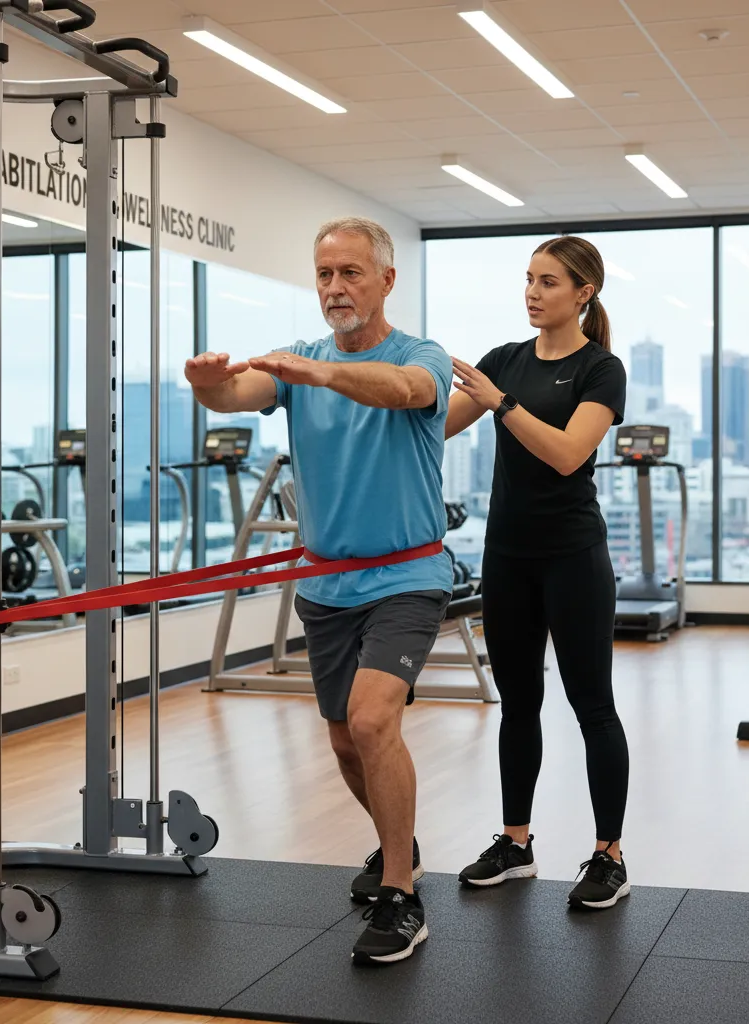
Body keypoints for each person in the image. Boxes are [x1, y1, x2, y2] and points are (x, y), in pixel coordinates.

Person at [184, 217, 452, 964]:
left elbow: (406, 389)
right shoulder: (297, 359)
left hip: (407, 574)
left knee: (372, 723)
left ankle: (401, 894)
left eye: (352, 273)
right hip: (327, 583)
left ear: (386, 281)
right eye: (326, 274)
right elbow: (240, 391)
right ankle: (401, 843)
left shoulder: (416, 354)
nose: (336, 288)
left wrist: (325, 373)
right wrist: (207, 385)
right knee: (343, 740)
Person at [444, 235, 631, 910]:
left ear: (583, 294)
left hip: (572, 557)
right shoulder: (505, 362)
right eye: (528, 279)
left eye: (548, 282)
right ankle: (515, 842)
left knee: (592, 707)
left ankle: (609, 854)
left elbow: (566, 454)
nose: (532, 292)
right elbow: (437, 427)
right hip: (508, 556)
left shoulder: (599, 370)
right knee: (518, 705)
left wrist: (501, 403)